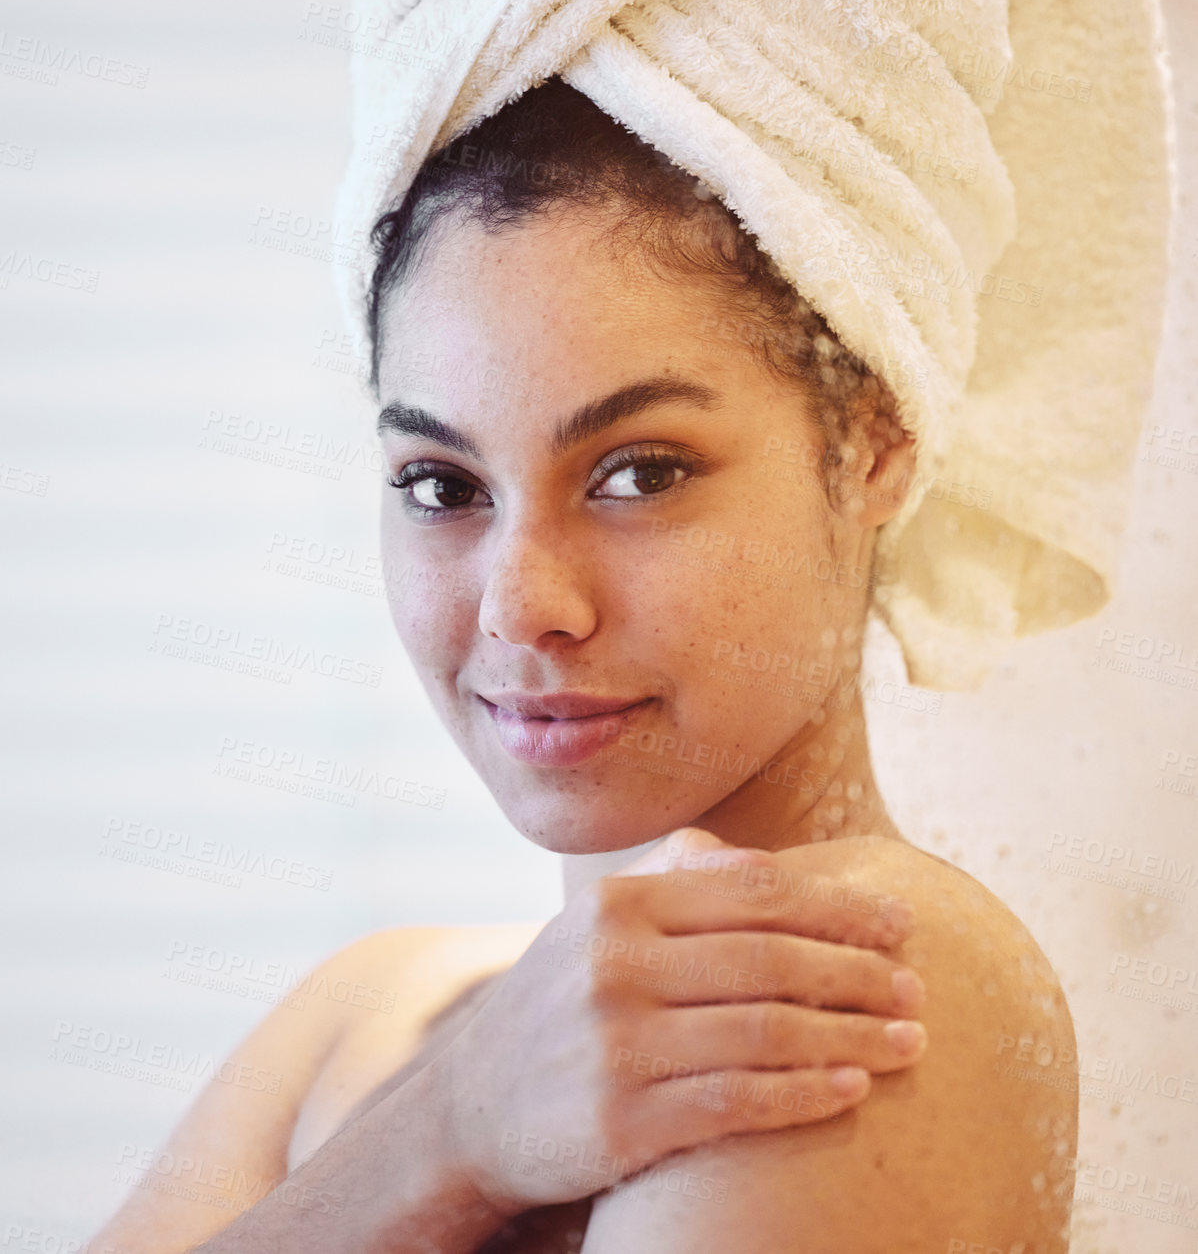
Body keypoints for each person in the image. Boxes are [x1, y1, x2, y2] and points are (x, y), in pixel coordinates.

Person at [88, 80, 1078, 1254]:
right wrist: (439, 1134)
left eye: (640, 473)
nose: (522, 610)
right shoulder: (371, 1013)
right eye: (441, 487)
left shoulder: (842, 964)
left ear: (871, 448)